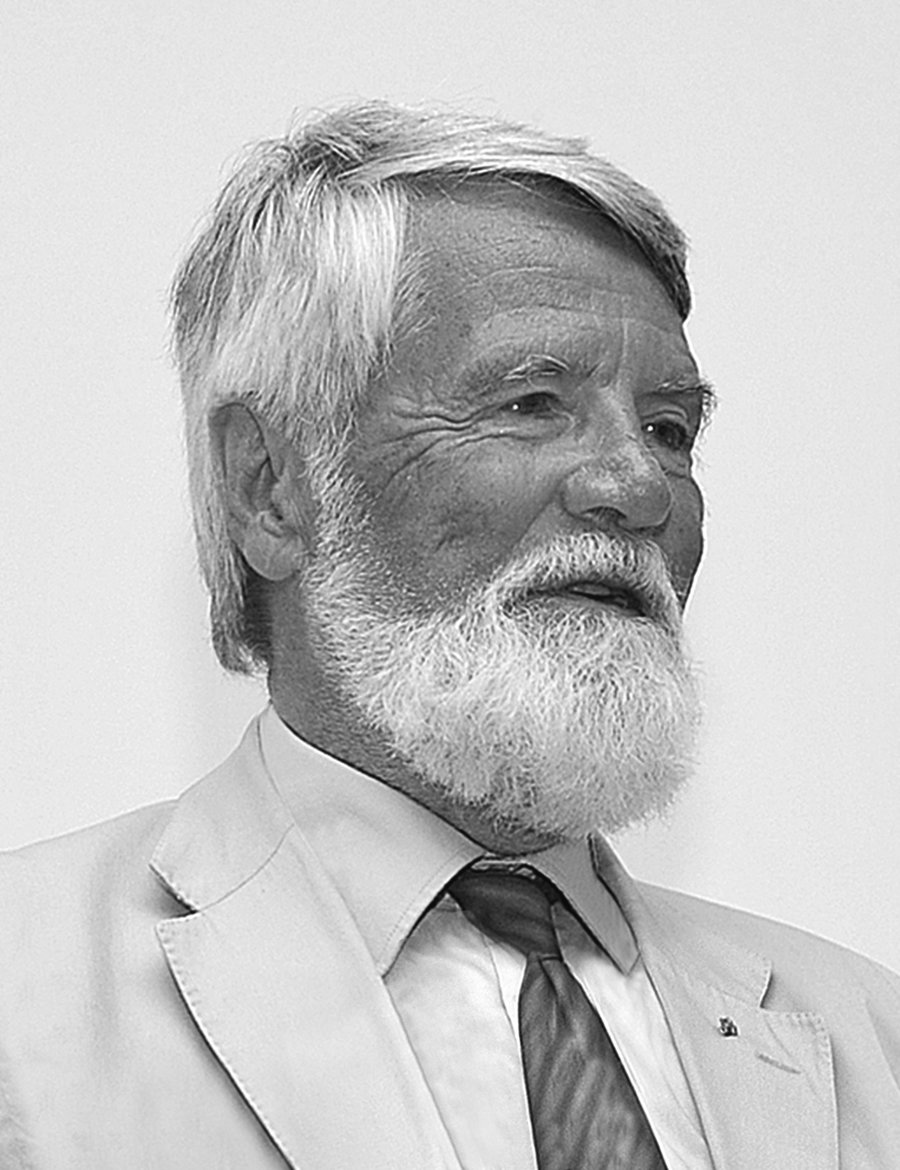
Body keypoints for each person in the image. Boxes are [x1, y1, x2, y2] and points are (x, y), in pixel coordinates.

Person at [1, 101, 897, 1170]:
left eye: (669, 429)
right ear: (270, 489)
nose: (639, 485)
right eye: (531, 403)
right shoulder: (26, 993)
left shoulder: (866, 1036)